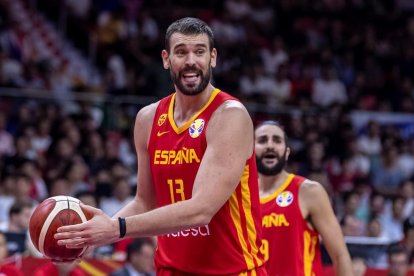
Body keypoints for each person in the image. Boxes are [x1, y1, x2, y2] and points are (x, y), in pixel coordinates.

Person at [55, 17, 265, 275]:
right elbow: (145, 202)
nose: (191, 61)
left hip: (231, 270)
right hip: (169, 268)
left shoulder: (229, 116)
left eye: (199, 51)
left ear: (213, 58)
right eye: (181, 52)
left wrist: (116, 228)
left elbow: (201, 210)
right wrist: (94, 234)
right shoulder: (148, 119)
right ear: (166, 59)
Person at [254, 120, 352, 275]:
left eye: (277, 140)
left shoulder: (309, 192)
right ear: (250, 150)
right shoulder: (241, 196)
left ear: (286, 152)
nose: (270, 145)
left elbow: (340, 255)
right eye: (262, 140)